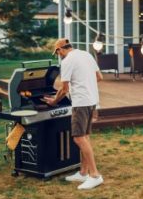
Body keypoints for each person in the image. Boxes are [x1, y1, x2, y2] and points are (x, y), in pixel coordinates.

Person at [43, 38, 104, 190]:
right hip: (92, 101)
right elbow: (99, 77)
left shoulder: (67, 61)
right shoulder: (86, 54)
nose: (58, 55)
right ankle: (83, 172)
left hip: (81, 103)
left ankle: (95, 175)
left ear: (60, 50)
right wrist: (85, 83)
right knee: (85, 136)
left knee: (78, 138)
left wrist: (53, 101)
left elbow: (64, 89)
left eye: (57, 53)